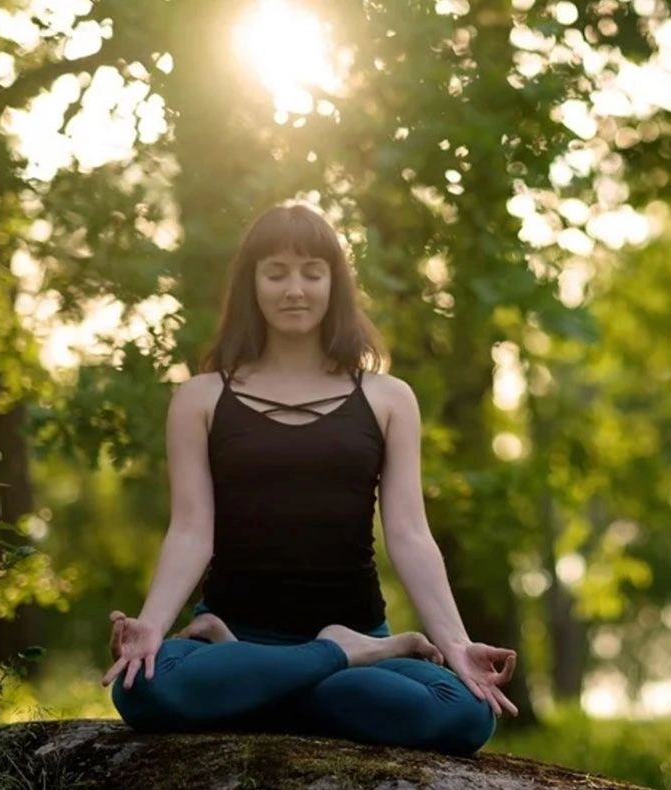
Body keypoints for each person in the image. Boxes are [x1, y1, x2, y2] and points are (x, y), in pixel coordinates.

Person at [101, 201, 518, 755]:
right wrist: (152, 624)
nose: (294, 288)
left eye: (311, 272)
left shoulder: (388, 399)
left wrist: (457, 643)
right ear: (252, 285)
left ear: (334, 283)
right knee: (143, 691)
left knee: (466, 715)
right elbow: (191, 530)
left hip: (336, 632)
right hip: (241, 635)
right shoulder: (200, 399)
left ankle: (271, 680)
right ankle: (337, 657)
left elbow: (410, 534)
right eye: (276, 273)